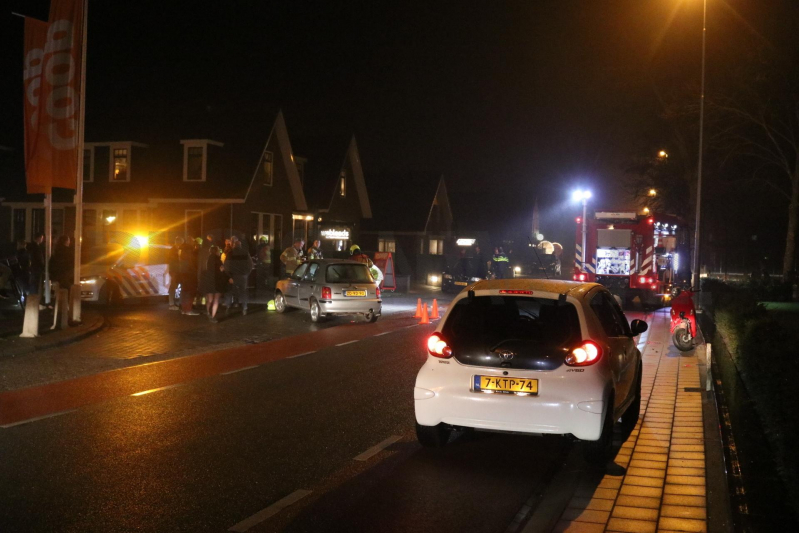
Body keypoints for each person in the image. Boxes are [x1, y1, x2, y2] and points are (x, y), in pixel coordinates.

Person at [225, 240, 254, 315]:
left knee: (230, 291)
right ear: (240, 245)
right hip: (243, 276)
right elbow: (250, 264)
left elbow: (226, 265)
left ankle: (229, 306)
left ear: (234, 245)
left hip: (233, 275)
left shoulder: (230, 253)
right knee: (243, 292)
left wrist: (229, 276)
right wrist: (247, 273)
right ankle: (244, 308)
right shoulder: (245, 253)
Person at [205, 245, 228, 323]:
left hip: (209, 281)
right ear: (216, 251)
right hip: (217, 281)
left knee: (210, 299)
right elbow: (221, 270)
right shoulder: (218, 259)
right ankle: (213, 316)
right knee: (216, 300)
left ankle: (208, 311)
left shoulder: (208, 259)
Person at [179, 238, 199, 315]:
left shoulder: (182, 252)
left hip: (183, 273)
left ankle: (184, 309)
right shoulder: (189, 251)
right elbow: (191, 263)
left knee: (184, 291)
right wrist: (195, 271)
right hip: (189, 274)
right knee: (190, 292)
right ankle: (188, 309)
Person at [166, 237, 183, 310]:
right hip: (174, 270)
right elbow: (174, 261)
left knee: (175, 286)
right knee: (173, 286)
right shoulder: (173, 251)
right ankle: (171, 304)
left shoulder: (174, 250)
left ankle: (174, 303)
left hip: (175, 270)